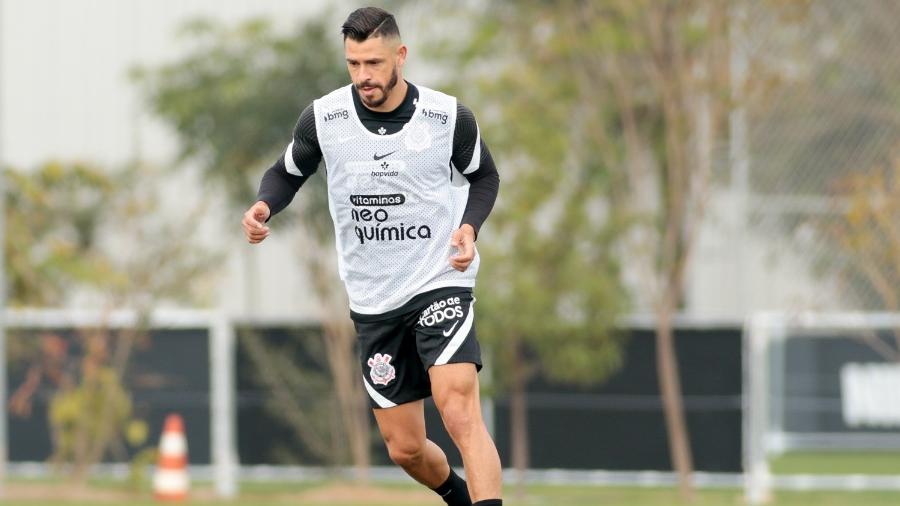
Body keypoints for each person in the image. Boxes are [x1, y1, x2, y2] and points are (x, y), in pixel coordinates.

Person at [241, 7, 502, 506]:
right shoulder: (325, 118)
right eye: (354, 64)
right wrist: (262, 206)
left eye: (374, 63)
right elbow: (286, 172)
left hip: (438, 279)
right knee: (405, 448)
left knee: (458, 410)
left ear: (400, 56)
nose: (364, 76)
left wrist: (468, 228)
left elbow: (485, 177)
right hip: (373, 298)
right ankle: (459, 497)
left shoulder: (447, 118)